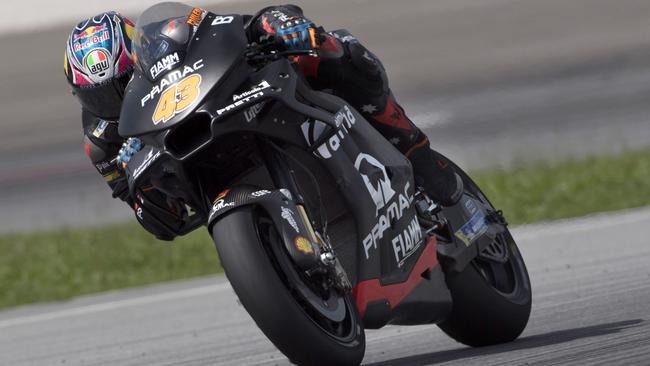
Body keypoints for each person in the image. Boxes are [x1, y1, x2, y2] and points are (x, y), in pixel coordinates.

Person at [64, 5, 462, 240]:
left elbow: (223, 27)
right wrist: (147, 204)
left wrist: (274, 23)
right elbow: (160, 218)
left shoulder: (167, 41)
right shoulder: (101, 141)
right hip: (204, 172)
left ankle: (417, 153)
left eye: (121, 82)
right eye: (98, 94)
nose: (113, 100)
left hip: (220, 108)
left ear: (138, 56)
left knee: (334, 49)